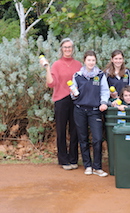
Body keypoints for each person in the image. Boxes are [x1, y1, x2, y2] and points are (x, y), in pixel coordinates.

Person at [43, 38, 82, 170]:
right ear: (61, 49)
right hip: (61, 100)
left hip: (75, 100)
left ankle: (73, 159)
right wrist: (47, 69)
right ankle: (63, 159)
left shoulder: (78, 65)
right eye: (65, 47)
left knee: (75, 130)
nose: (67, 49)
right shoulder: (56, 64)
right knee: (61, 130)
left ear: (73, 49)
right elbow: (51, 84)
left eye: (70, 47)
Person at [71, 50, 110, 177]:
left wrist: (104, 102)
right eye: (89, 60)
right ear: (84, 61)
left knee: (98, 138)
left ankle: (97, 167)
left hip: (95, 111)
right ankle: (88, 165)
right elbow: (73, 93)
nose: (91, 62)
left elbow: (105, 91)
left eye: (93, 60)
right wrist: (73, 93)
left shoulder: (100, 75)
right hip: (80, 109)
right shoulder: (77, 75)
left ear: (96, 61)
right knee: (83, 138)